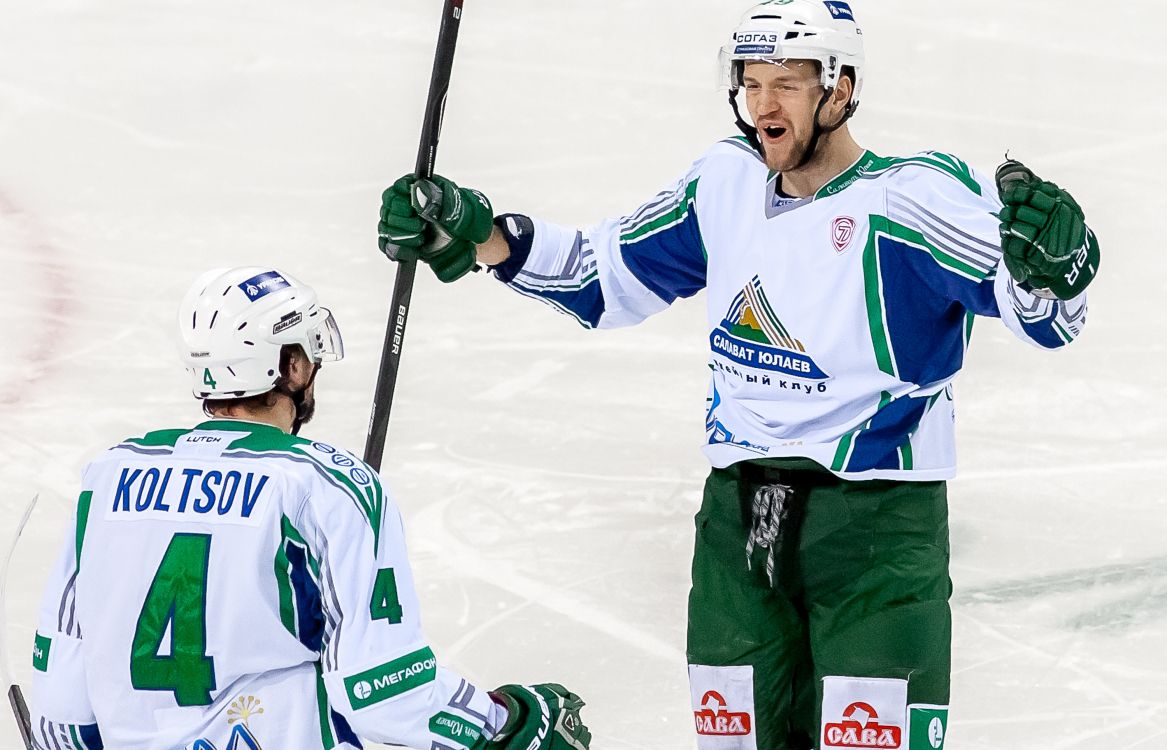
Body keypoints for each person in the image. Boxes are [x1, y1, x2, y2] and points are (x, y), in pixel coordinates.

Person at [376, 1, 1101, 749]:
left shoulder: (913, 199)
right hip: (738, 521)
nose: (762, 104)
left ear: (840, 88)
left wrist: (1059, 269)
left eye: (786, 83)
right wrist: (477, 233)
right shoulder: (722, 181)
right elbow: (602, 275)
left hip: (877, 531)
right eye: (750, 82)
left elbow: (1042, 314)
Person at [27, 267, 592, 750]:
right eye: (308, 354)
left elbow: (63, 697)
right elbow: (383, 693)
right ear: (290, 368)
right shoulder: (329, 487)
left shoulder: (110, 474)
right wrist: (503, 722)